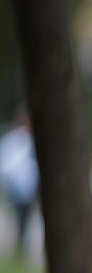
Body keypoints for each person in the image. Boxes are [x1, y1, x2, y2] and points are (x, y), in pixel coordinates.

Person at [0, 107, 38, 260]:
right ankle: (19, 248)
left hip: (20, 188)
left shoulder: (14, 140)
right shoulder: (20, 141)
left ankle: (19, 248)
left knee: (23, 220)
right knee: (21, 219)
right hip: (20, 188)